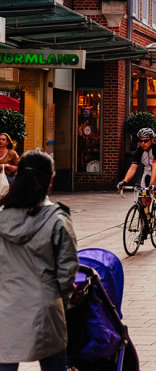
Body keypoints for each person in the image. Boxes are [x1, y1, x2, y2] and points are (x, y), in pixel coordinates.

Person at [0, 149, 78, 371]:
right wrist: (60, 301)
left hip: (4, 305)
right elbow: (67, 270)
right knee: (53, 364)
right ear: (51, 179)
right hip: (45, 305)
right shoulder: (57, 219)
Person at [118, 128, 156, 218]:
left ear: (151, 140)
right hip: (148, 172)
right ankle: (145, 227)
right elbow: (132, 168)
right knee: (144, 202)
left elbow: (155, 168)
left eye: (146, 141)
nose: (143, 143)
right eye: (141, 141)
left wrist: (151, 185)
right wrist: (124, 181)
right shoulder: (139, 151)